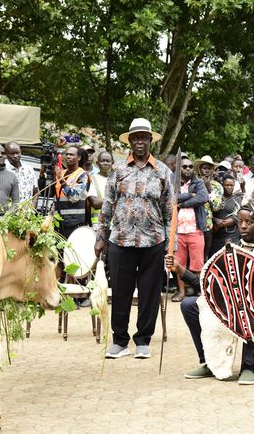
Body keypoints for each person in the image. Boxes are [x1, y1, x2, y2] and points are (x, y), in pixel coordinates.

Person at [176, 200, 254, 385]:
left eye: (250, 222)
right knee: (189, 305)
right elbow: (210, 283)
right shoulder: (229, 249)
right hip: (229, 309)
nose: (244, 226)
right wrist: (180, 269)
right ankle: (210, 361)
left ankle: (247, 366)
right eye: (240, 221)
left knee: (248, 310)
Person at [94, 118, 173, 359]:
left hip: (153, 242)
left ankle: (143, 341)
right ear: (130, 141)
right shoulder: (118, 169)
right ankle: (119, 341)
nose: (140, 142)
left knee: (149, 292)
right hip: (120, 240)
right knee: (120, 291)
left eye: (144, 137)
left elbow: (169, 211)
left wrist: (170, 245)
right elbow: (107, 206)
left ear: (150, 141)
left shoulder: (162, 171)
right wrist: (101, 237)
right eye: (135, 138)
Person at [173, 157, 209, 302]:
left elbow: (203, 197)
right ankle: (181, 293)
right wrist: (189, 195)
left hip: (195, 229)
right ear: (179, 168)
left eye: (190, 166)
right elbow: (170, 198)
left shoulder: (198, 182)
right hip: (177, 231)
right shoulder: (173, 182)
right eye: (184, 167)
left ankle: (200, 293)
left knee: (197, 264)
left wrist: (181, 204)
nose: (188, 169)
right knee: (178, 264)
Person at [54, 145, 89, 240]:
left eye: (71, 154)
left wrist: (61, 180)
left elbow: (74, 197)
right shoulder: (61, 173)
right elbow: (52, 194)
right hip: (58, 221)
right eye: (67, 154)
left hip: (73, 222)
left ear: (79, 158)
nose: (68, 156)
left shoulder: (82, 175)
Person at [194, 155, 223, 261]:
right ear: (199, 169)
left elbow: (216, 207)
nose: (206, 171)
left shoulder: (217, 186)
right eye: (204, 168)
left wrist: (209, 189)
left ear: (213, 170)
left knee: (204, 257)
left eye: (209, 168)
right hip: (192, 224)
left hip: (207, 226)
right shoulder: (192, 183)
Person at [209, 175, 242, 255]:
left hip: (232, 236)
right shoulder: (215, 197)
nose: (229, 187)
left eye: (231, 185)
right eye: (227, 185)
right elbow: (208, 211)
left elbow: (238, 216)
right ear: (222, 185)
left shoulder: (238, 199)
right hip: (215, 237)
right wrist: (214, 219)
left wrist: (220, 224)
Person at [0, 143, 19, 215]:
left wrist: (6, 218)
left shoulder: (12, 177)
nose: (0, 155)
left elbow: (16, 202)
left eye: (3, 153)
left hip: (3, 220)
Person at [87, 151, 114, 229]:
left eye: (108, 161)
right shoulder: (92, 178)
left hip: (115, 226)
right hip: (98, 225)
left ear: (112, 163)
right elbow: (94, 202)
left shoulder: (117, 180)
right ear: (97, 163)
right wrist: (115, 200)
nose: (105, 163)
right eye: (102, 161)